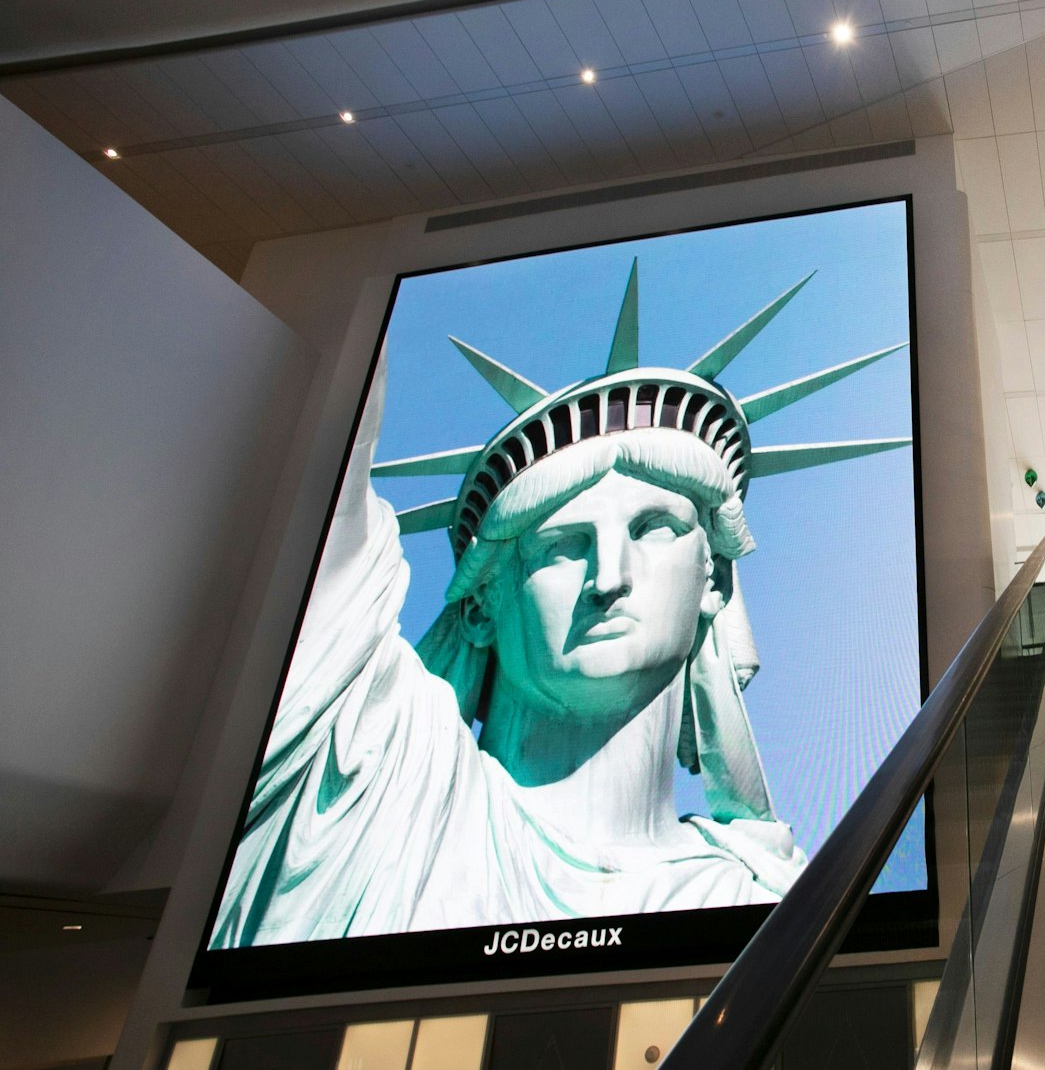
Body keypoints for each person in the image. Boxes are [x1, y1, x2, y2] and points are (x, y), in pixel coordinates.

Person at [210, 266, 908, 947]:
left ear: (714, 579)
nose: (609, 578)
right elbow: (327, 463)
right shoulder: (370, 773)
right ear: (480, 607)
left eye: (653, 528)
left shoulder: (765, 900)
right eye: (561, 548)